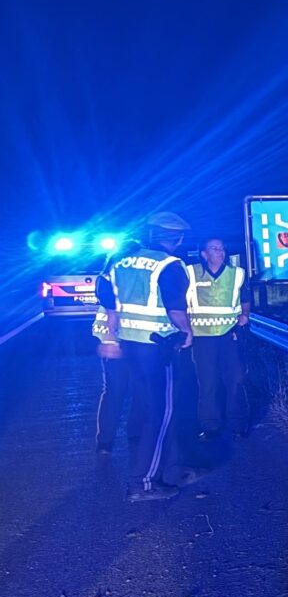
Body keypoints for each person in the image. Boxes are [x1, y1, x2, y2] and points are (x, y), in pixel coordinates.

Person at [95, 212, 197, 501]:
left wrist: (111, 337)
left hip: (129, 345)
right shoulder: (169, 265)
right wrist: (187, 332)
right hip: (157, 347)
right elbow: (176, 309)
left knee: (150, 410)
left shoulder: (120, 262)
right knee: (160, 414)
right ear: (177, 239)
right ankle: (143, 483)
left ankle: (168, 469)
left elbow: (107, 299)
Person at [186, 236, 251, 439]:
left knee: (236, 380)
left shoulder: (237, 274)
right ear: (204, 254)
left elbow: (245, 298)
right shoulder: (190, 273)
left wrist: (244, 316)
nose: (220, 252)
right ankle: (210, 426)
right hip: (201, 337)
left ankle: (238, 424)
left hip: (230, 335)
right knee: (207, 382)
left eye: (222, 248)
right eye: (214, 248)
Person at [91, 238, 145, 454]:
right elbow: (111, 312)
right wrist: (111, 341)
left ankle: (121, 438)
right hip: (118, 340)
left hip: (133, 338)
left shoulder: (116, 277)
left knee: (128, 390)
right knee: (118, 390)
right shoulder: (109, 278)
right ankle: (111, 439)